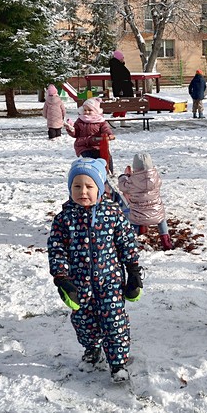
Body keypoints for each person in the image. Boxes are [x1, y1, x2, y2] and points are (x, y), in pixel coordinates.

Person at [47, 156, 143, 382]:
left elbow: (127, 242)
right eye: (77, 186)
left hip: (110, 281)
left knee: (114, 321)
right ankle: (91, 348)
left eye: (89, 186)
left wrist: (134, 271)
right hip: (79, 282)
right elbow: (57, 249)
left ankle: (118, 363)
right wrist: (61, 278)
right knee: (84, 322)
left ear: (100, 189)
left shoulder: (113, 215)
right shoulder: (64, 219)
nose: (83, 191)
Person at [118, 153, 173, 251]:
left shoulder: (132, 181)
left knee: (128, 217)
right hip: (156, 214)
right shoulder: (156, 178)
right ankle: (166, 241)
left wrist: (124, 176)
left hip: (138, 216)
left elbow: (122, 187)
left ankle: (132, 241)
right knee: (162, 218)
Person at [65, 97, 115, 169]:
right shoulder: (80, 120)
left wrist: (109, 135)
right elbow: (76, 134)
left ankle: (109, 171)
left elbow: (106, 129)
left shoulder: (100, 121)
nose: (87, 112)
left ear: (96, 111)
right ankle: (92, 171)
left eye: (90, 110)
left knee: (107, 156)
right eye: (85, 110)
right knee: (91, 157)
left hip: (97, 145)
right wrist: (71, 130)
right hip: (83, 145)